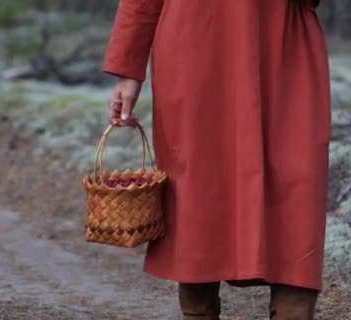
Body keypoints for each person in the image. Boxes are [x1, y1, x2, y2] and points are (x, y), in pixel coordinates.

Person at [103, 0, 331, 319]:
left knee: (297, 193)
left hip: (282, 54)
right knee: (200, 195)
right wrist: (127, 68)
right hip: (195, 58)